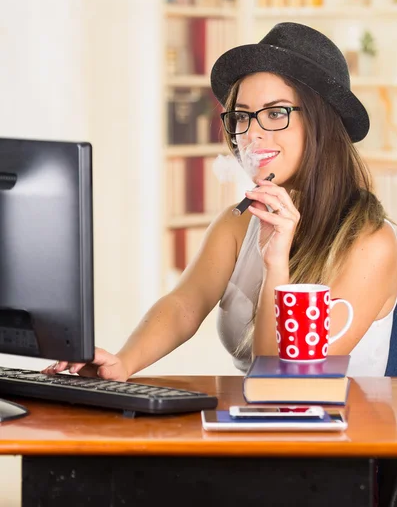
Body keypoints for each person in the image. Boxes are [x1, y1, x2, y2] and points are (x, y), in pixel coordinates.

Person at [43, 22, 397, 381]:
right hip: (256, 426)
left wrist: (275, 265)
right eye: (241, 116)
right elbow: (184, 306)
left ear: (323, 123)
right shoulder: (238, 222)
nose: (252, 133)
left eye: (275, 113)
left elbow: (281, 382)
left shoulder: (371, 245)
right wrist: (124, 362)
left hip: (344, 431)